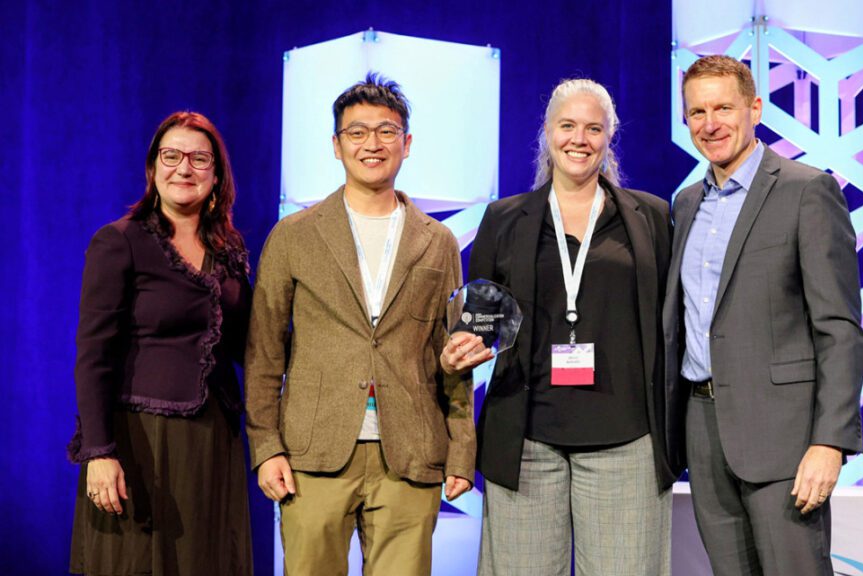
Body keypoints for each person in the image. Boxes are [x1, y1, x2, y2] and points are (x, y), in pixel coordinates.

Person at [245, 72, 477, 576]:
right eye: (357, 132)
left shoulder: (437, 241)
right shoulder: (293, 236)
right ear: (336, 145)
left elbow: (453, 355)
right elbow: (264, 353)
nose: (372, 144)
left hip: (410, 455)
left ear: (407, 143)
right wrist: (267, 449)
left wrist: (461, 450)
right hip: (313, 454)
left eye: (386, 131)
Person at [457, 78, 676, 576]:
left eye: (593, 128)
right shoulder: (504, 219)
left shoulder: (651, 218)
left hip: (628, 439)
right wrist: (463, 348)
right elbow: (479, 323)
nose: (580, 139)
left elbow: (670, 322)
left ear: (608, 137)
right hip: (529, 440)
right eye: (568, 125)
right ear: (547, 133)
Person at [664, 54, 863, 575]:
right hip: (703, 430)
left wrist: (830, 443)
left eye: (724, 108)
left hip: (785, 439)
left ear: (754, 108)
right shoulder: (685, 204)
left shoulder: (807, 190)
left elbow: (839, 329)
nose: (710, 124)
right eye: (696, 112)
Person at [68, 111, 253, 575]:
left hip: (212, 441)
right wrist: (99, 453)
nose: (184, 169)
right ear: (153, 169)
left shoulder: (229, 252)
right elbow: (94, 356)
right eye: (171, 156)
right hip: (140, 441)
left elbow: (250, 342)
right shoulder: (120, 242)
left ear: (216, 175)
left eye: (198, 158)